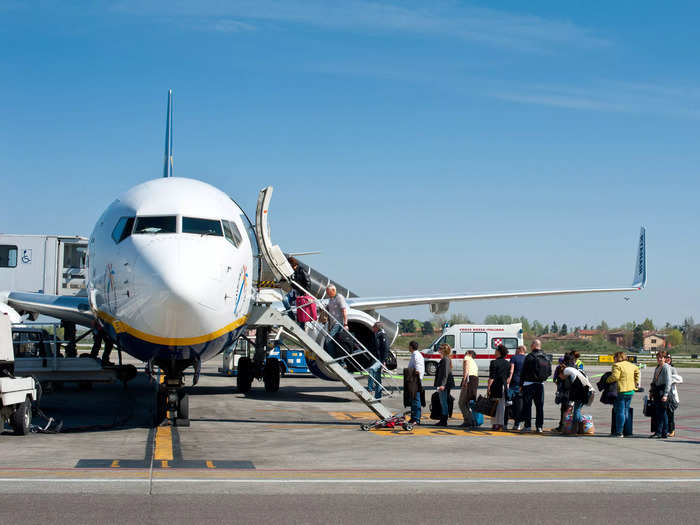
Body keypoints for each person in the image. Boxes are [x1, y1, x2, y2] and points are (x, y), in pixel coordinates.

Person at [606, 351, 640, 437]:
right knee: (626, 410)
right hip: (631, 391)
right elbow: (637, 373)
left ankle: (619, 431)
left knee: (620, 411)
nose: (614, 360)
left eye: (614, 358)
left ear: (618, 358)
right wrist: (635, 382)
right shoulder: (632, 365)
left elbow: (615, 377)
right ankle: (627, 431)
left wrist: (607, 380)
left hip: (621, 390)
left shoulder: (617, 365)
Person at [520, 339, 551, 433]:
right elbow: (549, 372)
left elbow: (523, 371)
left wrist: (521, 384)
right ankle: (539, 427)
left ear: (533, 345)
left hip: (528, 384)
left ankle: (527, 426)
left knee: (527, 406)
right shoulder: (546, 357)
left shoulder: (529, 356)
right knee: (539, 407)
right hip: (540, 385)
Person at [558, 352, 593, 433]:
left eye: (561, 375)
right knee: (577, 409)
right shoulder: (574, 370)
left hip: (583, 391)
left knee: (576, 410)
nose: (562, 378)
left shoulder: (567, 370)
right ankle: (582, 426)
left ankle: (574, 429)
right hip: (587, 390)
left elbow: (563, 378)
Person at [650, 350, 672, 438]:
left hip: (663, 391)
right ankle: (659, 432)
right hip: (657, 391)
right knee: (658, 413)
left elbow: (668, 381)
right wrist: (651, 391)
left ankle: (663, 432)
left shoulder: (666, 367)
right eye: (658, 358)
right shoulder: (658, 367)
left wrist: (666, 394)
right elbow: (654, 380)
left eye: (661, 358)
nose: (659, 359)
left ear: (665, 358)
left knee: (662, 413)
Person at [487, 345, 510, 431]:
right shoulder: (508, 363)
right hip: (503, 386)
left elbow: (491, 377)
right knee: (502, 406)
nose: (495, 351)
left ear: (499, 352)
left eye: (496, 350)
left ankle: (494, 424)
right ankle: (500, 424)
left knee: (494, 405)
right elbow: (507, 377)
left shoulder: (493, 362)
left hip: (496, 385)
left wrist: (488, 388)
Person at [434, 343, 455, 427]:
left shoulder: (446, 359)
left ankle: (444, 420)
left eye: (440, 348)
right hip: (444, 384)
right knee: (443, 402)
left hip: (444, 384)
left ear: (443, 350)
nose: (438, 349)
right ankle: (443, 420)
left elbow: (446, 373)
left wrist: (442, 385)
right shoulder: (445, 359)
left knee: (443, 402)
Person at [323, 285, 348, 356]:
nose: (327, 294)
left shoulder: (339, 297)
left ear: (334, 290)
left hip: (338, 323)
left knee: (328, 339)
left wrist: (345, 324)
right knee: (336, 342)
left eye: (328, 292)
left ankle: (332, 356)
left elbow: (344, 311)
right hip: (332, 324)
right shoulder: (331, 299)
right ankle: (340, 361)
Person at [506, 345, 526, 430]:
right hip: (523, 384)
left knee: (508, 403)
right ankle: (517, 424)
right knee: (519, 405)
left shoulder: (514, 358)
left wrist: (508, 381)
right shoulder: (526, 358)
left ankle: (505, 424)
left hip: (514, 383)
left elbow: (511, 370)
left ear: (519, 350)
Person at [368, 322, 389, 399]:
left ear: (377, 327)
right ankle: (378, 397)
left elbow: (385, 348)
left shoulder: (382, 335)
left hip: (380, 359)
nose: (372, 327)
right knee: (378, 379)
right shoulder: (376, 335)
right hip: (375, 358)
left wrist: (383, 361)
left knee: (371, 370)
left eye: (374, 326)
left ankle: (369, 389)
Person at [458, 350, 479, 428]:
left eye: (466, 352)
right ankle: (472, 420)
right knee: (467, 403)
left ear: (469, 354)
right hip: (474, 380)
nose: (464, 354)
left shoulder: (467, 357)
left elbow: (466, 368)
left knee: (461, 402)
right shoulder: (473, 362)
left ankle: (468, 420)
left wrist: (464, 380)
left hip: (469, 379)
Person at [406, 340, 425, 425]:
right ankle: (413, 417)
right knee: (413, 400)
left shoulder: (416, 355)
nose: (408, 348)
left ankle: (416, 419)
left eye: (409, 346)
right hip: (414, 380)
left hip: (415, 381)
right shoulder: (415, 354)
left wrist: (413, 377)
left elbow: (418, 370)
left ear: (411, 347)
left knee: (416, 400)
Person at [664, 354, 682, 438]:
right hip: (662, 392)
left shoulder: (672, 369)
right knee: (664, 413)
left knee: (670, 413)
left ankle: (672, 430)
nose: (668, 359)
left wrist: (669, 378)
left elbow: (678, 379)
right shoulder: (661, 367)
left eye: (669, 358)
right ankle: (665, 429)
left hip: (671, 393)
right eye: (666, 358)